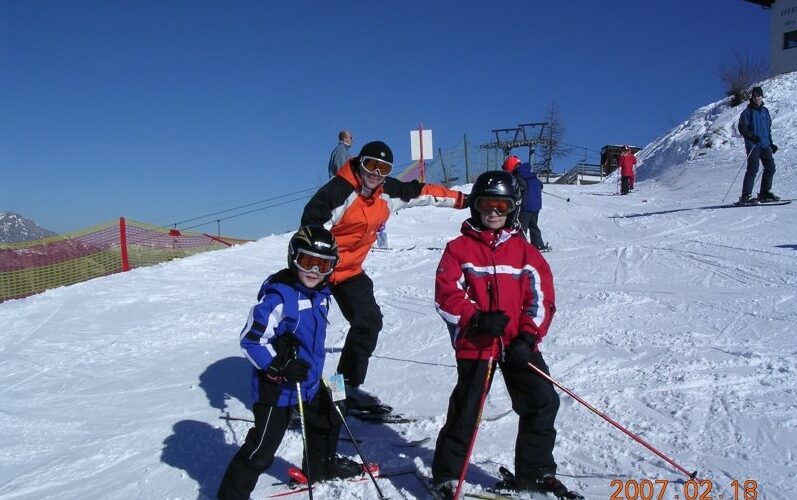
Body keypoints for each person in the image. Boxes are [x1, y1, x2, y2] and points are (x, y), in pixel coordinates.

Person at [431, 171, 575, 499]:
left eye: (502, 205)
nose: (493, 212)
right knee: (467, 408)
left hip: (515, 344)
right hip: (476, 343)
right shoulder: (459, 249)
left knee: (542, 400)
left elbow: (541, 299)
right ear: (475, 207)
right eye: (486, 204)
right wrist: (477, 318)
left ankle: (535, 472)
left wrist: (527, 337)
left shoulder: (525, 252)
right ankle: (446, 474)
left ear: (513, 208)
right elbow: (446, 295)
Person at [301, 140, 468, 412]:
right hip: (317, 270)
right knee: (307, 331)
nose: (375, 173)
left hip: (349, 272)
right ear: (359, 162)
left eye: (384, 168)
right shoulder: (338, 191)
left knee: (368, 323)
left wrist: (466, 200)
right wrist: (311, 267)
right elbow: (308, 227)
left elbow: (424, 192)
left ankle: (343, 391)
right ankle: (297, 398)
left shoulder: (388, 191)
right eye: (370, 164)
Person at [217, 227, 362, 500]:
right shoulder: (279, 298)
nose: (315, 271)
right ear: (293, 258)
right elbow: (251, 340)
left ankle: (320, 467)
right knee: (261, 450)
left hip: (308, 379)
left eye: (324, 264)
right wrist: (278, 368)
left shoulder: (321, 295)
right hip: (278, 387)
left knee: (329, 415)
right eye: (308, 262)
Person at [738, 86, 780, 204]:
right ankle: (746, 196)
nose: (757, 98)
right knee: (753, 169)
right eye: (755, 96)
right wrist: (751, 137)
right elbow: (742, 127)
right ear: (752, 97)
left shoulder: (765, 112)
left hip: (765, 144)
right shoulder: (747, 112)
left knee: (770, 167)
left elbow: (767, 130)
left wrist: (771, 144)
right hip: (753, 145)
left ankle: (764, 192)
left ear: (762, 97)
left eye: (759, 96)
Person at [502, 156, 546, 251]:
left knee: (521, 227)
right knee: (533, 226)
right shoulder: (531, 174)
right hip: (536, 207)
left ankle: (520, 247)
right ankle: (538, 245)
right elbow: (540, 185)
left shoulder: (518, 175)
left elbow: (522, 186)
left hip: (526, 206)